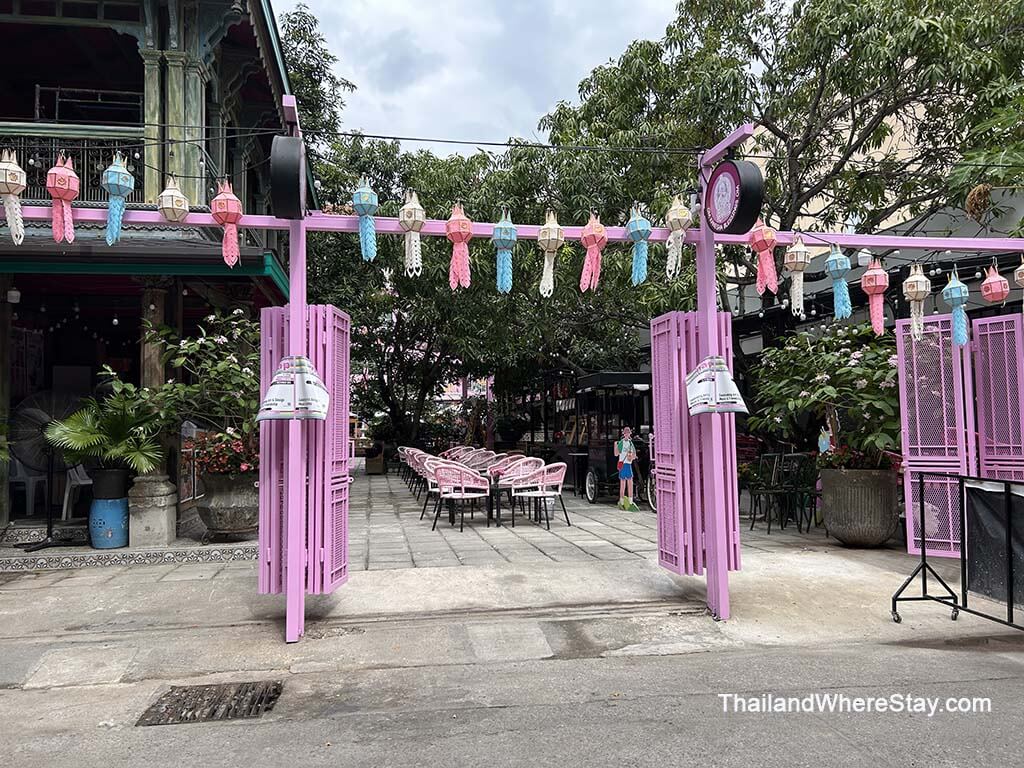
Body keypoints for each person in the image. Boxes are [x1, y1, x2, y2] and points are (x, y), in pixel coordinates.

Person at [615, 427, 640, 511]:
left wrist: (632, 457)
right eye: (625, 433)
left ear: (629, 434)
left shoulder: (630, 443)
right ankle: (621, 502)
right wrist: (616, 446)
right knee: (623, 484)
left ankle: (630, 501)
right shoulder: (622, 442)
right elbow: (616, 453)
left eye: (628, 433)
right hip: (623, 464)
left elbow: (634, 453)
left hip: (628, 464)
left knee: (630, 483)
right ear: (623, 434)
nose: (627, 435)